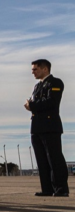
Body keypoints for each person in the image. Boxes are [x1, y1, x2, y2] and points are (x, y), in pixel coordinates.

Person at [25, 59, 69, 197]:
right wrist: (31, 105)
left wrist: (32, 106)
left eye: (35, 69)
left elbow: (51, 102)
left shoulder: (55, 82)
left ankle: (61, 188)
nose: (32, 72)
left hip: (50, 126)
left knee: (54, 158)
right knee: (41, 160)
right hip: (37, 127)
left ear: (45, 69)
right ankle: (47, 189)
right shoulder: (37, 86)